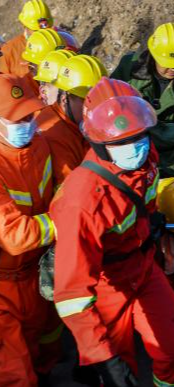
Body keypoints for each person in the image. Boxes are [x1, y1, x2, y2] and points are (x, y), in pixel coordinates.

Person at [50, 77, 174, 387]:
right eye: (122, 141)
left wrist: (162, 239)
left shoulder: (146, 159)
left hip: (144, 269)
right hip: (106, 285)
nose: (135, 146)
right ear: (99, 143)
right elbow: (72, 296)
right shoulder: (83, 201)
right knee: (117, 372)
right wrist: (102, 358)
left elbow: (147, 205)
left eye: (139, 136)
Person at [0, 74, 62, 386]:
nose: (25, 123)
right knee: (14, 374)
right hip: (4, 286)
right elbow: (13, 235)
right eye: (16, 119)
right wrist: (65, 221)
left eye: (29, 116)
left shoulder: (39, 144)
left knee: (43, 339)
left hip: (37, 271)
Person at [111, 22, 174, 178]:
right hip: (127, 140)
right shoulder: (129, 67)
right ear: (154, 55)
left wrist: (147, 128)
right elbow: (108, 105)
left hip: (170, 150)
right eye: (168, 64)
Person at [36, 54, 107, 185]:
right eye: (87, 101)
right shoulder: (53, 135)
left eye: (100, 100)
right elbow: (74, 187)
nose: (93, 109)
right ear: (65, 98)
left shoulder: (72, 122)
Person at [0, 0, 53, 77]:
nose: (42, 34)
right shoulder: (8, 52)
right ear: (24, 26)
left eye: (46, 30)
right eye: (35, 30)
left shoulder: (59, 43)